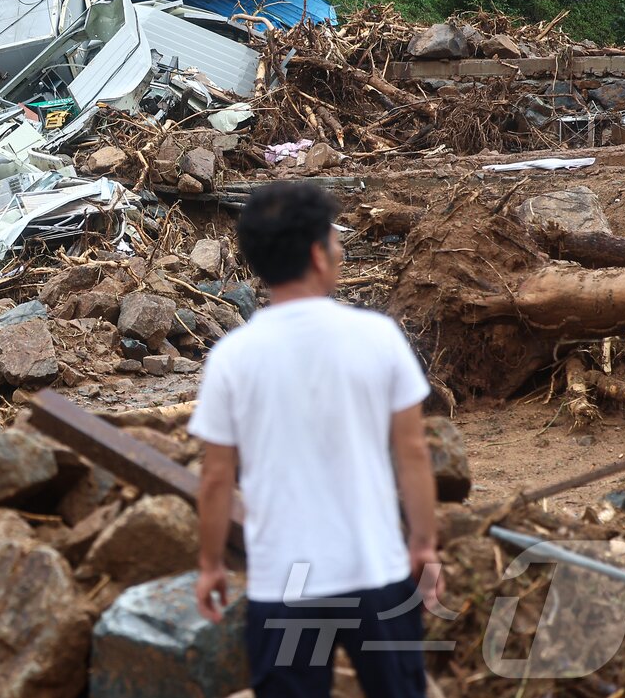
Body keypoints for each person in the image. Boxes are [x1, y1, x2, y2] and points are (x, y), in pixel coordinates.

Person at [188, 181, 442, 698]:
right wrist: (422, 543)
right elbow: (412, 452)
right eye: (335, 241)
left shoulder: (232, 358)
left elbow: (216, 478)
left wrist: (211, 564)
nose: (341, 251)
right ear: (316, 255)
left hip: (285, 584)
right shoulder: (377, 336)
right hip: (376, 572)